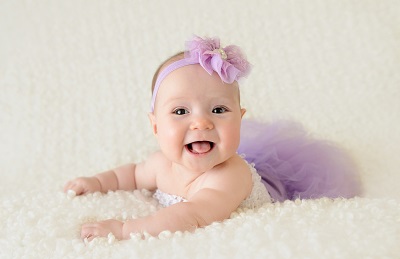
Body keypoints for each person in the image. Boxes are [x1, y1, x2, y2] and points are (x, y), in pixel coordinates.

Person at [64, 35, 361, 241]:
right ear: (155, 126)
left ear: (239, 119)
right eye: (180, 111)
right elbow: (128, 175)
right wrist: (96, 183)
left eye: (219, 110)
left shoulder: (229, 176)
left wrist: (126, 230)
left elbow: (192, 215)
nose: (201, 122)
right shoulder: (159, 165)